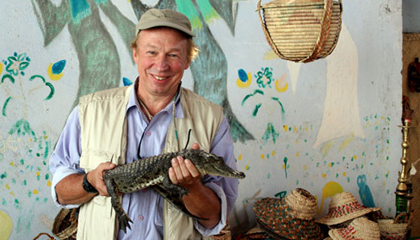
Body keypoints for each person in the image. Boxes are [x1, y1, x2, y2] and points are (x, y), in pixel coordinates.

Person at [49, 8, 239, 240]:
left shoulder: (214, 119)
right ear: (136, 53)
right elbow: (61, 192)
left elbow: (215, 218)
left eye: (173, 55)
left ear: (188, 60)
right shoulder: (88, 110)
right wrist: (90, 182)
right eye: (152, 52)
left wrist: (193, 187)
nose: (161, 65)